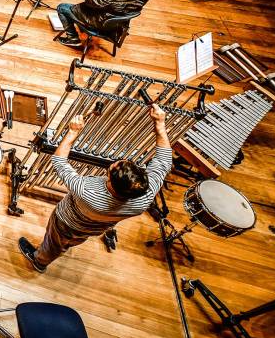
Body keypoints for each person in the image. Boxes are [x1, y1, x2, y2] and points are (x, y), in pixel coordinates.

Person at [18, 105, 171, 272]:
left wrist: (73, 132)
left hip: (66, 223)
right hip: (95, 228)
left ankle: (39, 261)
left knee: (55, 243)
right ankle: (63, 246)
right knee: (73, 239)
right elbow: (164, 162)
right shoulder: (145, 195)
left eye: (113, 167)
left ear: (112, 183)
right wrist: (160, 124)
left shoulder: (87, 191)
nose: (114, 162)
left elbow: (59, 162)